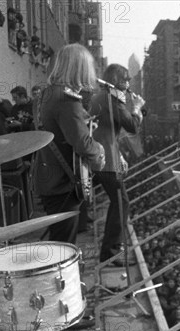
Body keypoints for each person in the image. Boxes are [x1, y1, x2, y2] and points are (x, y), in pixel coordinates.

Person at [33, 44, 105, 244]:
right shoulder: (67, 99)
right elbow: (82, 144)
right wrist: (100, 154)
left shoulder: (45, 94)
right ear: (79, 68)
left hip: (48, 177)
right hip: (63, 183)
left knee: (59, 241)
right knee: (64, 247)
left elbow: (56, 131)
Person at [88, 63, 144, 263]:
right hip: (105, 160)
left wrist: (119, 155)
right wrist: (137, 108)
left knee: (116, 200)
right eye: (126, 80)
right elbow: (132, 126)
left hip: (101, 156)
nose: (129, 83)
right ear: (117, 81)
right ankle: (110, 251)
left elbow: (108, 131)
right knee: (121, 202)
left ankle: (109, 247)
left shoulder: (102, 97)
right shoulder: (112, 100)